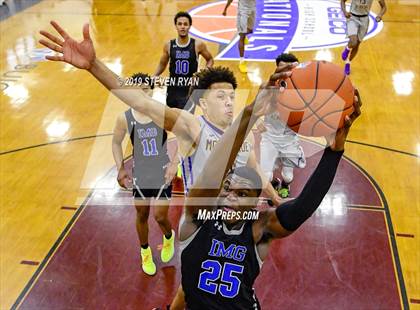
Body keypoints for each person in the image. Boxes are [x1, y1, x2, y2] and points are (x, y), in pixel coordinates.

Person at [38, 20, 282, 205]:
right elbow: (142, 103)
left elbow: (256, 170)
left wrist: (276, 200)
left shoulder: (242, 134)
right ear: (203, 104)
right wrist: (94, 66)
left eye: (231, 96)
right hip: (199, 219)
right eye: (220, 96)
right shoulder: (190, 125)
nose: (229, 102)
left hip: (230, 213)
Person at [179, 70, 362, 309]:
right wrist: (250, 113)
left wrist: (333, 153)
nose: (231, 197)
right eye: (228, 189)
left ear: (255, 205)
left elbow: (300, 209)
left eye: (243, 195)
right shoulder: (197, 219)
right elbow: (214, 171)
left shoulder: (258, 229)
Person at [112, 72, 177, 276]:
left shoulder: (161, 113)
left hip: (162, 171)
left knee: (160, 216)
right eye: (137, 89)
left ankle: (169, 236)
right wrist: (120, 167)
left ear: (151, 91)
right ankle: (145, 252)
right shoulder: (124, 117)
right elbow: (115, 142)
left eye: (145, 89)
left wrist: (175, 163)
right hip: (140, 173)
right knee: (142, 214)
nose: (141, 92)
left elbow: (183, 136)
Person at [257, 53, 306, 198]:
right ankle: (273, 188)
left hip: (289, 138)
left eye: (290, 68)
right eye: (282, 68)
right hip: (269, 136)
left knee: (288, 176)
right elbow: (255, 108)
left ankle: (285, 184)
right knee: (265, 175)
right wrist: (259, 121)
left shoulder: (303, 91)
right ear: (277, 68)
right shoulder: (267, 87)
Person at [154, 11, 214, 112]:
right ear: (176, 26)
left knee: (186, 122)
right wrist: (154, 76)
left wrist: (204, 73)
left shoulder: (198, 45)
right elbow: (162, 63)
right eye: (180, 24)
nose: (182, 27)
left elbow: (210, 60)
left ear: (190, 26)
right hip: (173, 88)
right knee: (172, 121)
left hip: (189, 89)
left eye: (185, 24)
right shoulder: (168, 45)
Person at [341, 0, 386, 75]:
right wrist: (345, 12)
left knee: (357, 44)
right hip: (353, 17)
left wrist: (379, 15)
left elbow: (384, 7)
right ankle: (347, 49)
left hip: (364, 19)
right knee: (353, 41)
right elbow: (342, 1)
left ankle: (348, 62)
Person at [222, 0, 256, 73]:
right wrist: (225, 9)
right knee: (242, 37)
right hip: (242, 12)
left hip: (252, 10)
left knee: (250, 30)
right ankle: (241, 61)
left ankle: (242, 34)